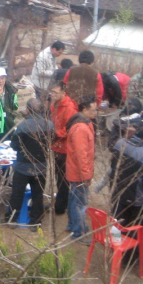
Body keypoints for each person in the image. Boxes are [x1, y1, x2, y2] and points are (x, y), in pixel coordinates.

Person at [4, 98, 55, 228]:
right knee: (38, 194)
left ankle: (12, 219)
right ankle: (36, 221)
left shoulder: (22, 126)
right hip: (41, 166)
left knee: (17, 193)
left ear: (27, 110)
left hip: (23, 167)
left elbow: (15, 145)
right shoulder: (49, 125)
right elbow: (51, 141)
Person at [109, 120, 143, 227]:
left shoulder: (120, 143)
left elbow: (112, 165)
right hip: (136, 199)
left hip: (117, 191)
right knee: (133, 229)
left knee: (117, 225)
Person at [65, 96, 97, 242]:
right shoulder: (80, 128)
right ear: (84, 110)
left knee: (74, 199)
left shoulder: (84, 123)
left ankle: (73, 225)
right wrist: (86, 175)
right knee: (80, 203)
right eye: (93, 110)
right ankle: (79, 232)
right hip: (79, 173)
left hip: (77, 171)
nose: (96, 112)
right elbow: (81, 155)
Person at [49, 80, 78, 215]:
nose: (52, 94)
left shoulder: (70, 108)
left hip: (65, 148)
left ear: (63, 92)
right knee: (58, 176)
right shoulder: (54, 104)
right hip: (55, 145)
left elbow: (69, 129)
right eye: (51, 92)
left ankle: (61, 206)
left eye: (55, 92)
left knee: (63, 179)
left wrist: (54, 134)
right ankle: (60, 201)